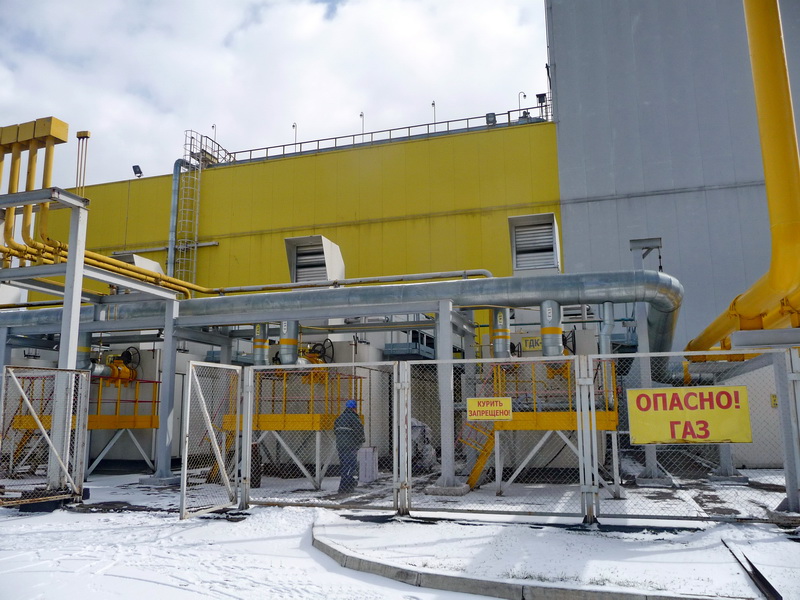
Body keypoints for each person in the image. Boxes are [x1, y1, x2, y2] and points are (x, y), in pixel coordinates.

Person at [334, 399, 365, 494]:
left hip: (340, 445)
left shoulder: (339, 418)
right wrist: (361, 441)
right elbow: (359, 431)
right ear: (354, 408)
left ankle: (347, 484)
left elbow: (335, 430)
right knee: (351, 465)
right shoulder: (354, 418)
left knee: (344, 465)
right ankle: (345, 487)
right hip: (350, 445)